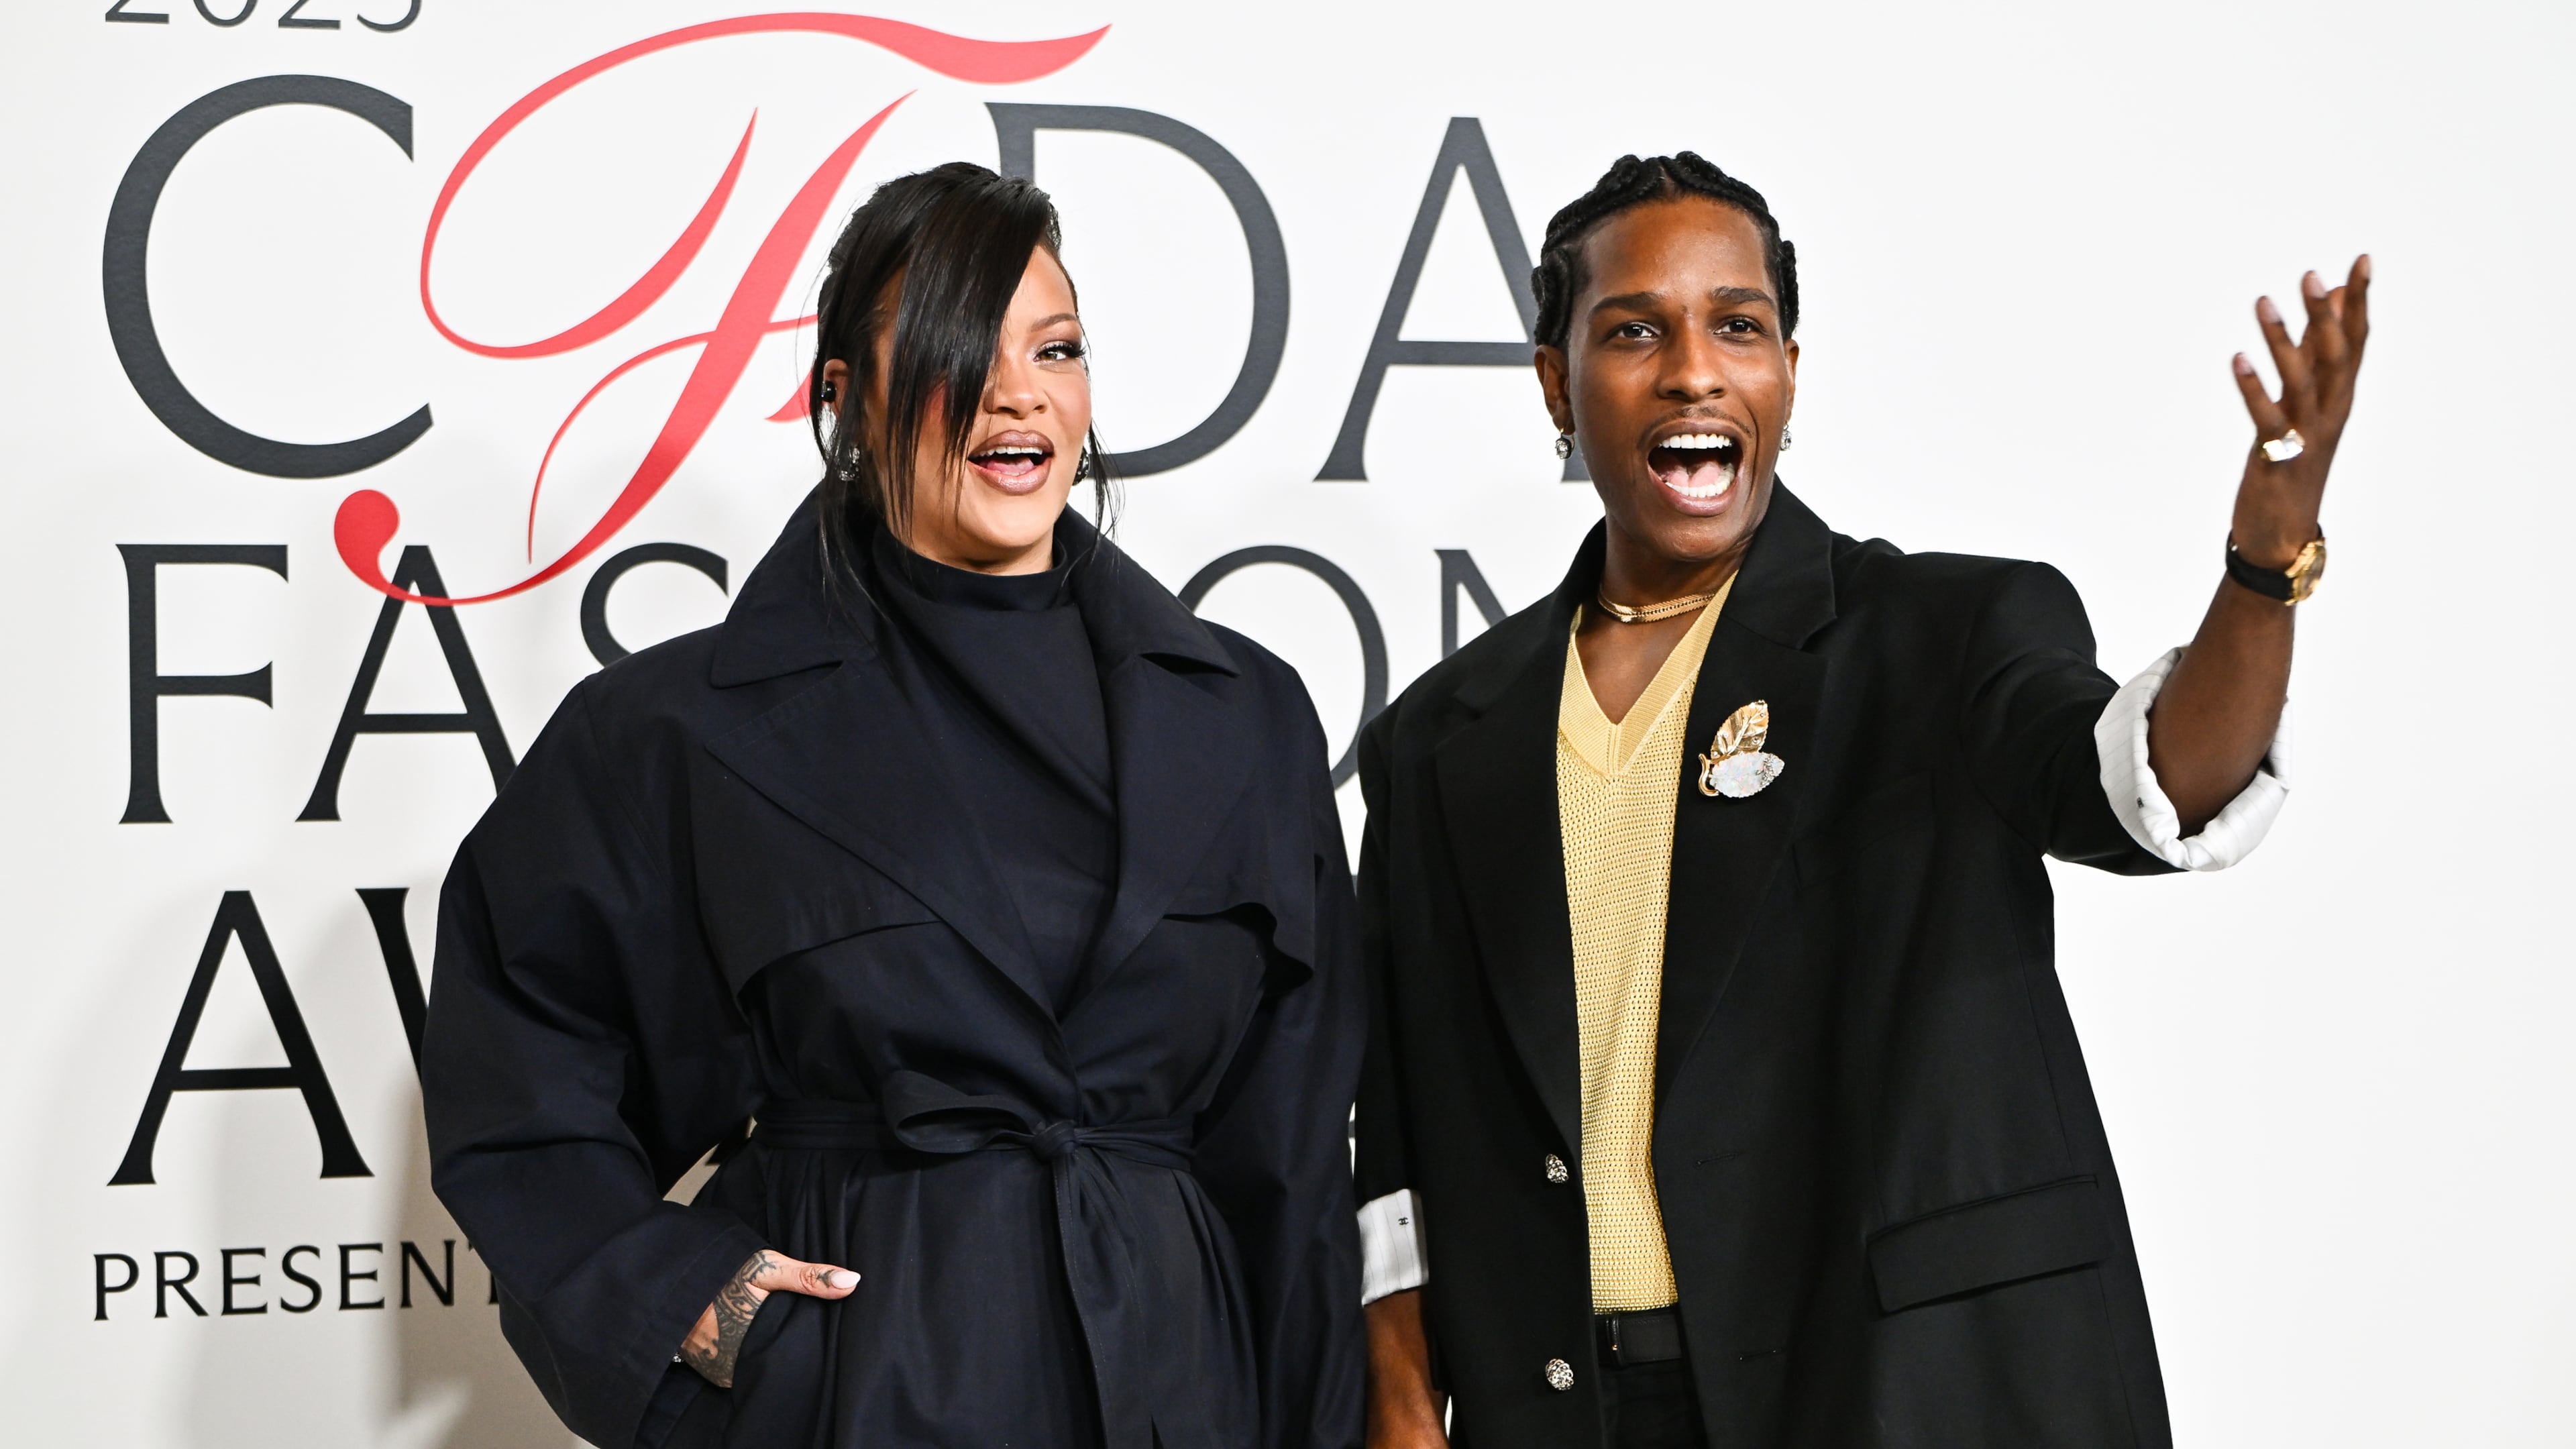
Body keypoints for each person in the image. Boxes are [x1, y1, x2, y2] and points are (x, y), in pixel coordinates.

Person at [1352, 152, 2365, 1448]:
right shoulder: (1445, 736)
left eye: (1738, 325)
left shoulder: (1938, 635)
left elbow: (2156, 780)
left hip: (1892, 1388)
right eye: (1633, 331)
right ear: (1557, 382)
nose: (1693, 370)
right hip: (1564, 1408)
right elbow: (1399, 1108)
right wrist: (1396, 1392)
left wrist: (2264, 562)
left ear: (1787, 369)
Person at [421, 163, 1365, 1449]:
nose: (1018, 391)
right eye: (954, 349)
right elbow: (518, 1074)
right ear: (844, 398)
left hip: (1179, 1385)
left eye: (1058, 347)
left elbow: (1296, 1163)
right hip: (870, 1385)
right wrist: (702, 1314)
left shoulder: (1248, 713)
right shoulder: (685, 726)